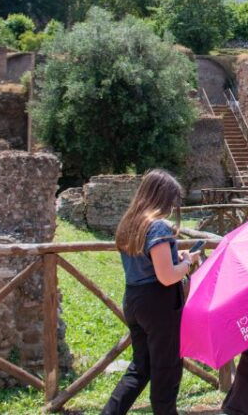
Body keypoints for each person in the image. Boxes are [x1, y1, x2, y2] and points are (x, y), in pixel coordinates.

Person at [102, 169, 199, 415]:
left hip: (134, 299)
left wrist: (176, 257)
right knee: (166, 372)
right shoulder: (158, 226)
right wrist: (187, 263)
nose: (172, 207)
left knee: (140, 368)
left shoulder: (131, 223)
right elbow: (166, 277)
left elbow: (147, 261)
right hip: (158, 304)